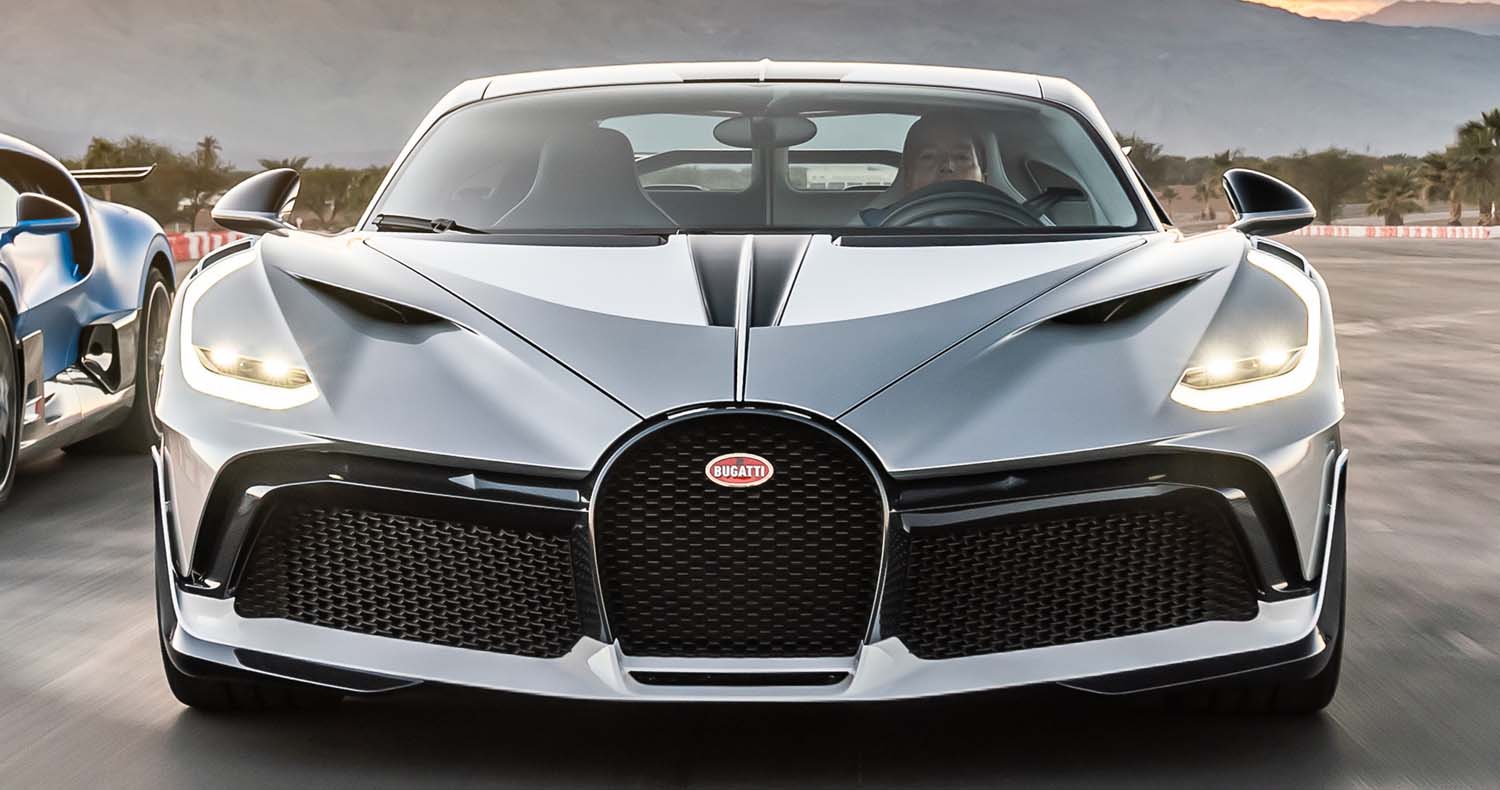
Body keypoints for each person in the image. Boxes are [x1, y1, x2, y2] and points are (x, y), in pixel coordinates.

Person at [858, 113, 986, 226]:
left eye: (961, 157)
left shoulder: (1000, 229)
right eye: (929, 156)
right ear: (908, 177)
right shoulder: (872, 229)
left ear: (983, 178)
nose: (947, 166)